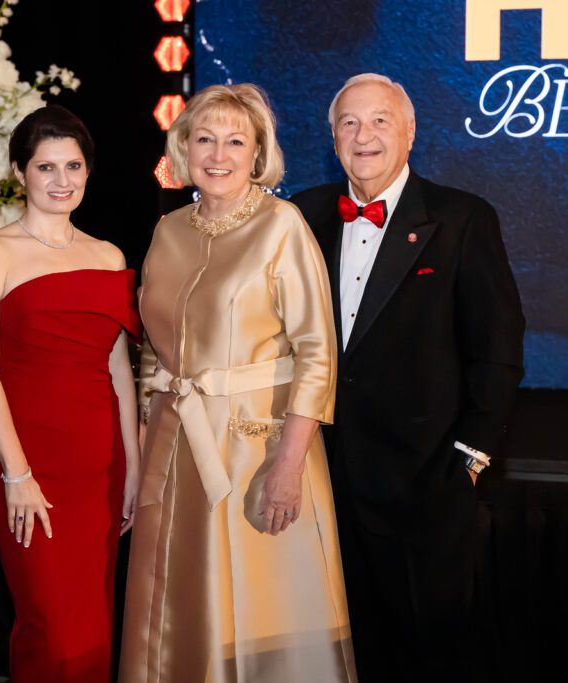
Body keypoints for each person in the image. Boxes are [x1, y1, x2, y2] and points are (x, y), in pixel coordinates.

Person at [290, 73, 525, 682]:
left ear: (411, 132)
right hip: (319, 479)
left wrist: (471, 452)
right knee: (338, 653)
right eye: (348, 123)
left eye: (379, 121)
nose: (363, 136)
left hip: (424, 483)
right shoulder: (300, 216)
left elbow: (497, 345)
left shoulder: (462, 218)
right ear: (332, 137)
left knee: (431, 654)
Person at [120, 84, 356, 683]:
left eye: (235, 141)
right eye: (204, 139)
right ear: (184, 147)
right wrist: (143, 454)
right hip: (174, 459)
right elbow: (152, 355)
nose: (218, 154)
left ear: (258, 154)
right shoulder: (167, 230)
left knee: (260, 614)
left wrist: (288, 467)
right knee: (174, 612)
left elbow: (317, 357)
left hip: (259, 453)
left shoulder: (284, 226)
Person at [0, 105, 141, 683]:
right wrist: (17, 473)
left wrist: (133, 467)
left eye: (74, 166)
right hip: (28, 461)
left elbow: (120, 371)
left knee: (93, 625)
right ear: (19, 172)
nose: (62, 181)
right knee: (49, 624)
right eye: (46, 167)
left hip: (100, 465)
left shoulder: (109, 256)